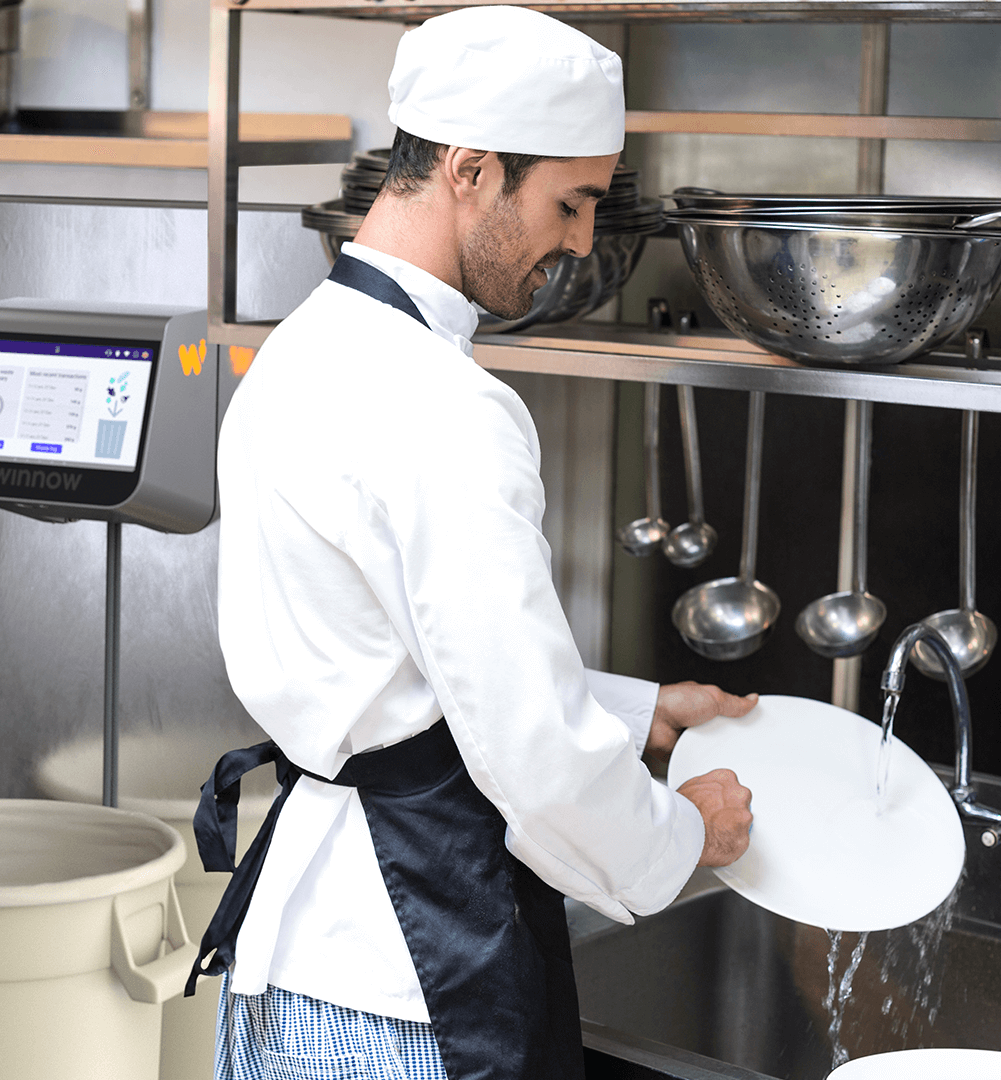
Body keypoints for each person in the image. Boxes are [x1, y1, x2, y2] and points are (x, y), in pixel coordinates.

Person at [195, 8, 754, 1080]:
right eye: (571, 201)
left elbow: (409, 672)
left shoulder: (304, 349)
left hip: (297, 970)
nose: (586, 241)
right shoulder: (444, 407)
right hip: (408, 983)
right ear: (469, 169)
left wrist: (639, 713)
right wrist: (683, 835)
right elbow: (532, 755)